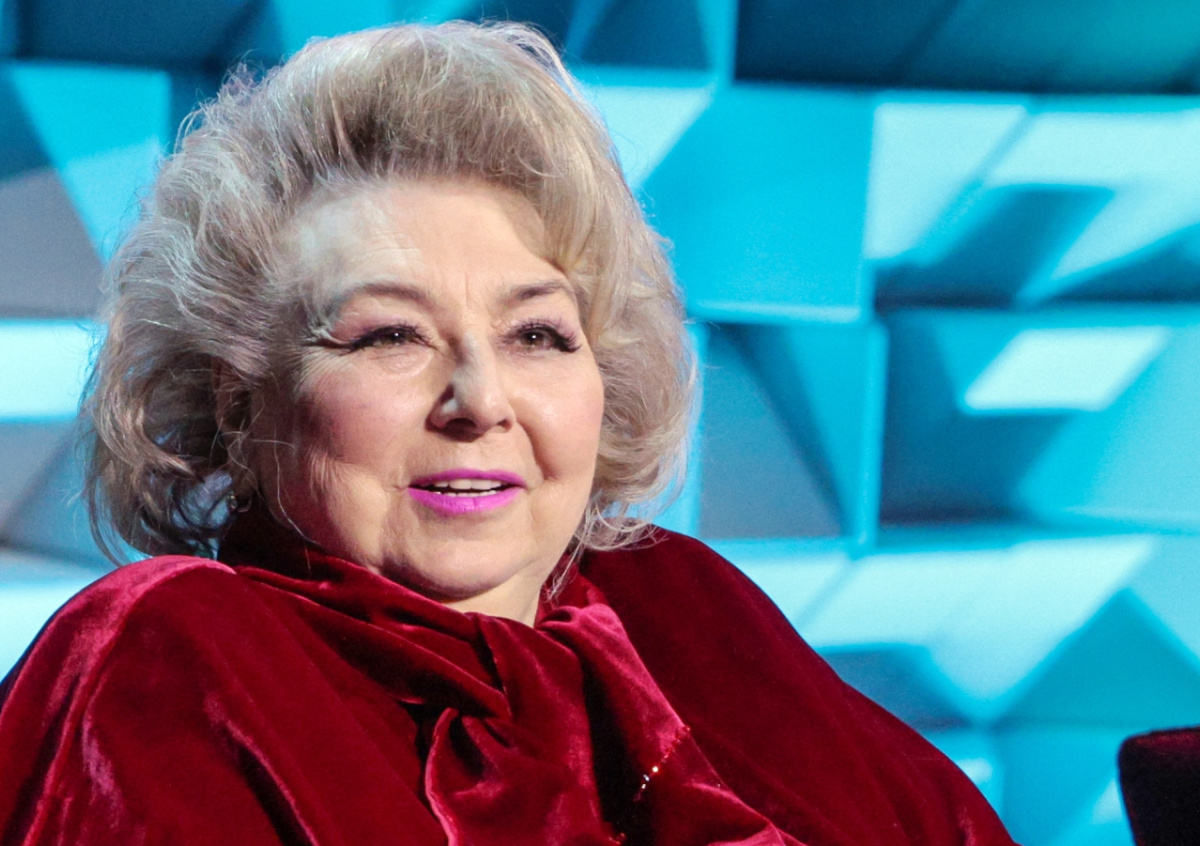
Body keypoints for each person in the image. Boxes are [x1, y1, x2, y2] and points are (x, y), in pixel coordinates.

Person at [0, 21, 1017, 846]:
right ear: (237, 398)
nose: (481, 401)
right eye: (391, 335)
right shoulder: (171, 653)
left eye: (537, 334)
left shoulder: (676, 606)